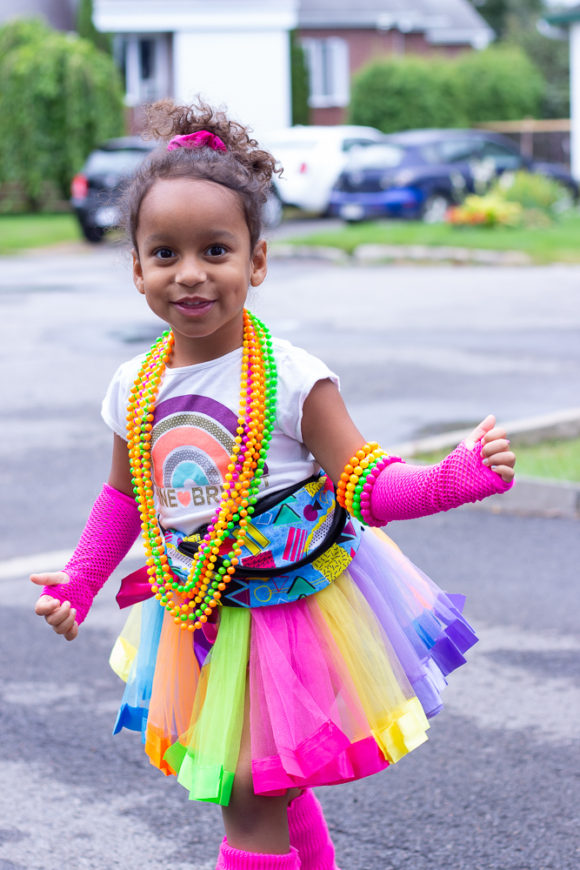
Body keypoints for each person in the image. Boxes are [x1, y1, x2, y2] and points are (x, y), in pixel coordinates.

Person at [31, 99, 516, 870]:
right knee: (269, 790)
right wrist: (83, 581)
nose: (190, 273)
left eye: (216, 250)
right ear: (136, 269)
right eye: (164, 253)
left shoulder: (293, 377)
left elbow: (368, 484)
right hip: (200, 614)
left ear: (257, 260)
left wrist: (454, 479)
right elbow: (125, 496)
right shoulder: (133, 384)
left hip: (291, 618)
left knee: (250, 797)